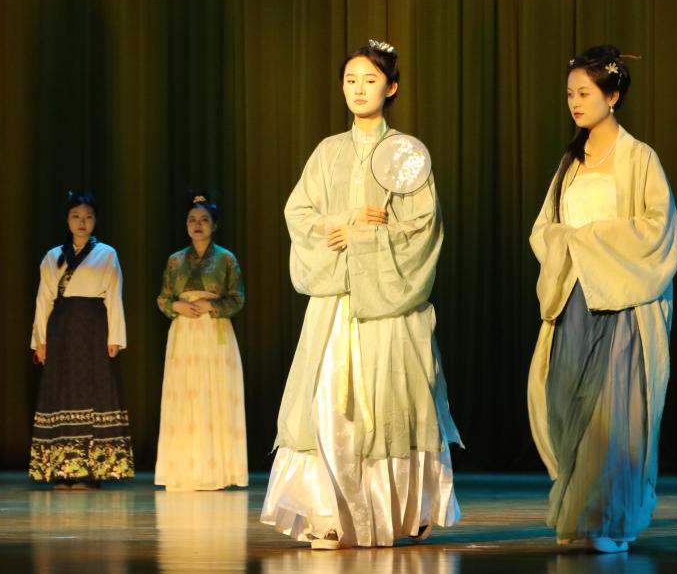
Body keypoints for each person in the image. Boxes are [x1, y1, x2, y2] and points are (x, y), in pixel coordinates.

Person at [261, 40, 462, 549]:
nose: (358, 89)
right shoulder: (328, 152)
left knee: (392, 401)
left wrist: (367, 238)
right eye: (350, 80)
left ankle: (396, 514)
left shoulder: (407, 154)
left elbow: (423, 228)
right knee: (328, 405)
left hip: (388, 304)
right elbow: (298, 214)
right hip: (336, 303)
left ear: (391, 88)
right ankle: (326, 513)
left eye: (370, 80)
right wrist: (347, 222)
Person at [527, 45, 677, 552]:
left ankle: (607, 520)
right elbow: (544, 229)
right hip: (573, 297)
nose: (575, 102)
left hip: (618, 301)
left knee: (613, 414)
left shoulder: (639, 158)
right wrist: (567, 242)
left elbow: (657, 229)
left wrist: (590, 238)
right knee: (568, 404)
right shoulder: (570, 162)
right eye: (570, 93)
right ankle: (579, 515)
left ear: (612, 96)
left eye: (585, 93)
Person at [29, 191, 133, 488]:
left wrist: (115, 337)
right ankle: (62, 470)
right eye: (76, 216)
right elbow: (43, 300)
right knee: (62, 393)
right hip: (62, 329)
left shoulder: (107, 254)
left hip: (93, 328)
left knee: (93, 393)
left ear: (95, 220)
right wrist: (40, 341)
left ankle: (90, 472)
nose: (82, 222)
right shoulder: (53, 256)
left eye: (88, 216)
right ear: (67, 220)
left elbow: (114, 297)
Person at [155, 192, 248, 490]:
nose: (198, 225)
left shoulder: (226, 259)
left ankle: (217, 471)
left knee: (214, 394)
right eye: (192, 220)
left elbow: (238, 298)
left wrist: (212, 305)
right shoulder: (175, 261)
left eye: (204, 220)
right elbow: (163, 298)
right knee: (185, 395)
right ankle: (183, 470)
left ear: (214, 225)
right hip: (185, 332)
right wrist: (176, 306)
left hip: (214, 331)